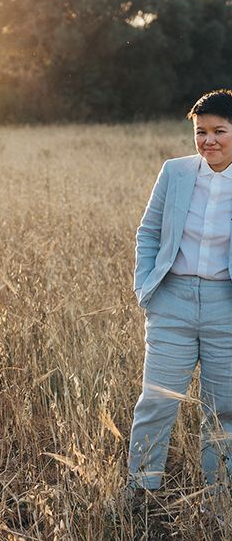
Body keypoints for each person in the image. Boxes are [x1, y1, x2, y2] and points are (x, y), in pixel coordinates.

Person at [129, 88, 232, 497]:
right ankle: (140, 493)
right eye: (201, 131)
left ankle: (219, 500)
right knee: (156, 404)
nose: (208, 141)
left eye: (219, 131)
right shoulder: (175, 172)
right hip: (172, 302)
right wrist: (146, 290)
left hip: (226, 306)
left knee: (223, 411)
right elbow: (149, 232)